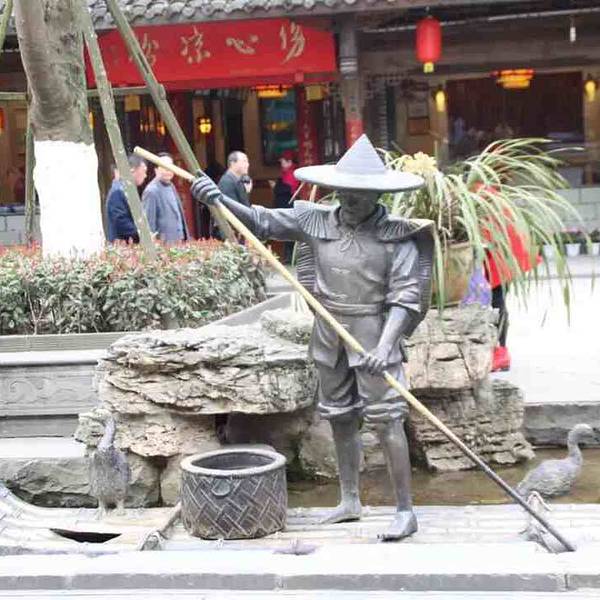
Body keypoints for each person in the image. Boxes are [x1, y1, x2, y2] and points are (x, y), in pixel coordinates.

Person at [191, 135, 434, 541]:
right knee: (339, 416)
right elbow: (261, 221)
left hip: (373, 333)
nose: (350, 201)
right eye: (345, 193)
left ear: (377, 195)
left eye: (360, 195)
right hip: (328, 331)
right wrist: (219, 200)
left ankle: (405, 510)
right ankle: (350, 499)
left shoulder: (396, 237)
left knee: (387, 418)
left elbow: (405, 299)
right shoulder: (317, 222)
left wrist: (385, 345)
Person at [142, 152, 189, 243]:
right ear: (156, 170)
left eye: (170, 167)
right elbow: (149, 226)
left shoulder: (171, 186)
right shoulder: (151, 191)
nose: (168, 170)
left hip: (179, 242)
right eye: (164, 167)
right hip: (165, 245)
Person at [105, 155, 148, 244]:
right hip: (123, 245)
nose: (145, 175)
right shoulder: (118, 191)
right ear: (132, 170)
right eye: (144, 171)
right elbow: (120, 222)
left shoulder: (127, 190)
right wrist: (142, 233)